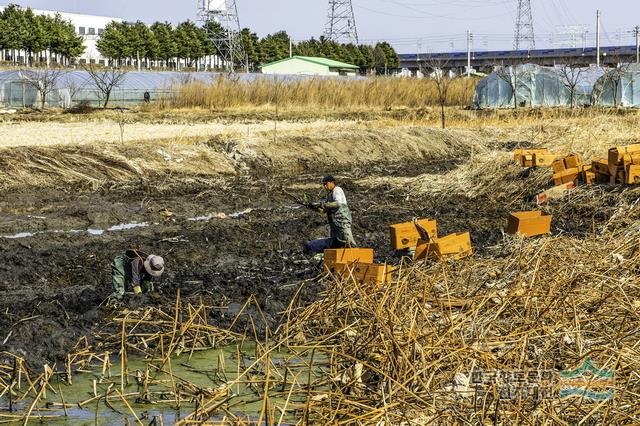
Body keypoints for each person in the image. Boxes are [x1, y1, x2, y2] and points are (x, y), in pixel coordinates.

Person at [304, 175, 357, 254]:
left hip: (342, 222)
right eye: (323, 185)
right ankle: (313, 247)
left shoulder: (337, 190)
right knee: (336, 243)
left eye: (326, 184)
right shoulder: (329, 195)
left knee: (348, 242)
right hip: (334, 223)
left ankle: (356, 257)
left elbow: (337, 204)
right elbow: (323, 210)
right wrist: (314, 207)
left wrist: (323, 204)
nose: (325, 186)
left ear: (332, 182)